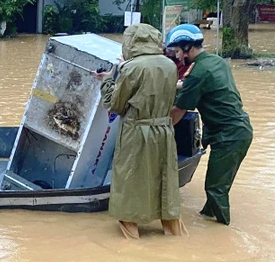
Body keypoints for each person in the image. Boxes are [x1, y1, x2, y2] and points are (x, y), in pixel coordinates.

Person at [94, 24, 187, 239]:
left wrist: (107, 80)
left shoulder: (131, 68)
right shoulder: (170, 65)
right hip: (164, 131)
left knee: (129, 183)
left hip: (136, 132)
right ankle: (175, 236)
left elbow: (116, 105)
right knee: (164, 180)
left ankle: (132, 243)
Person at [167, 24, 253, 226]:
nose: (178, 57)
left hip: (228, 136)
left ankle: (223, 235)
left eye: (178, 51)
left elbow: (178, 112)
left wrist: (156, 128)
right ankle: (208, 217)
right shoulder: (216, 61)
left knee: (215, 188)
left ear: (188, 47)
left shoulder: (198, 73)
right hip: (239, 130)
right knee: (218, 184)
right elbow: (195, 85)